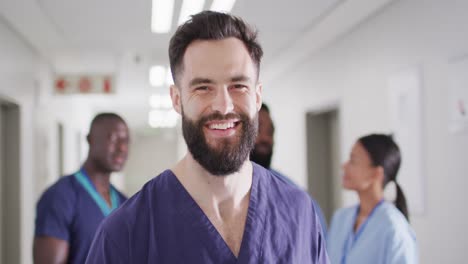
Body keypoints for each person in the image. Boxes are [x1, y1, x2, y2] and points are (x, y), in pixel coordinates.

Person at [86, 11, 328, 263]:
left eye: (238, 86)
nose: (223, 106)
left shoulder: (299, 214)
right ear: (177, 99)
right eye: (203, 88)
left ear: (256, 97)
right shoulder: (126, 232)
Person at [34, 113, 130, 264]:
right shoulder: (60, 197)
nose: (122, 147)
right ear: (90, 140)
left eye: (126, 140)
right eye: (113, 139)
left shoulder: (125, 203)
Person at [327, 134, 418, 263]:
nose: (344, 166)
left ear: (376, 173)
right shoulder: (340, 218)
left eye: (353, 161)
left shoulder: (394, 228)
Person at [250, 103, 328, 236]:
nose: (266, 139)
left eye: (270, 132)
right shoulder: (212, 188)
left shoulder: (292, 193)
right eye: (258, 129)